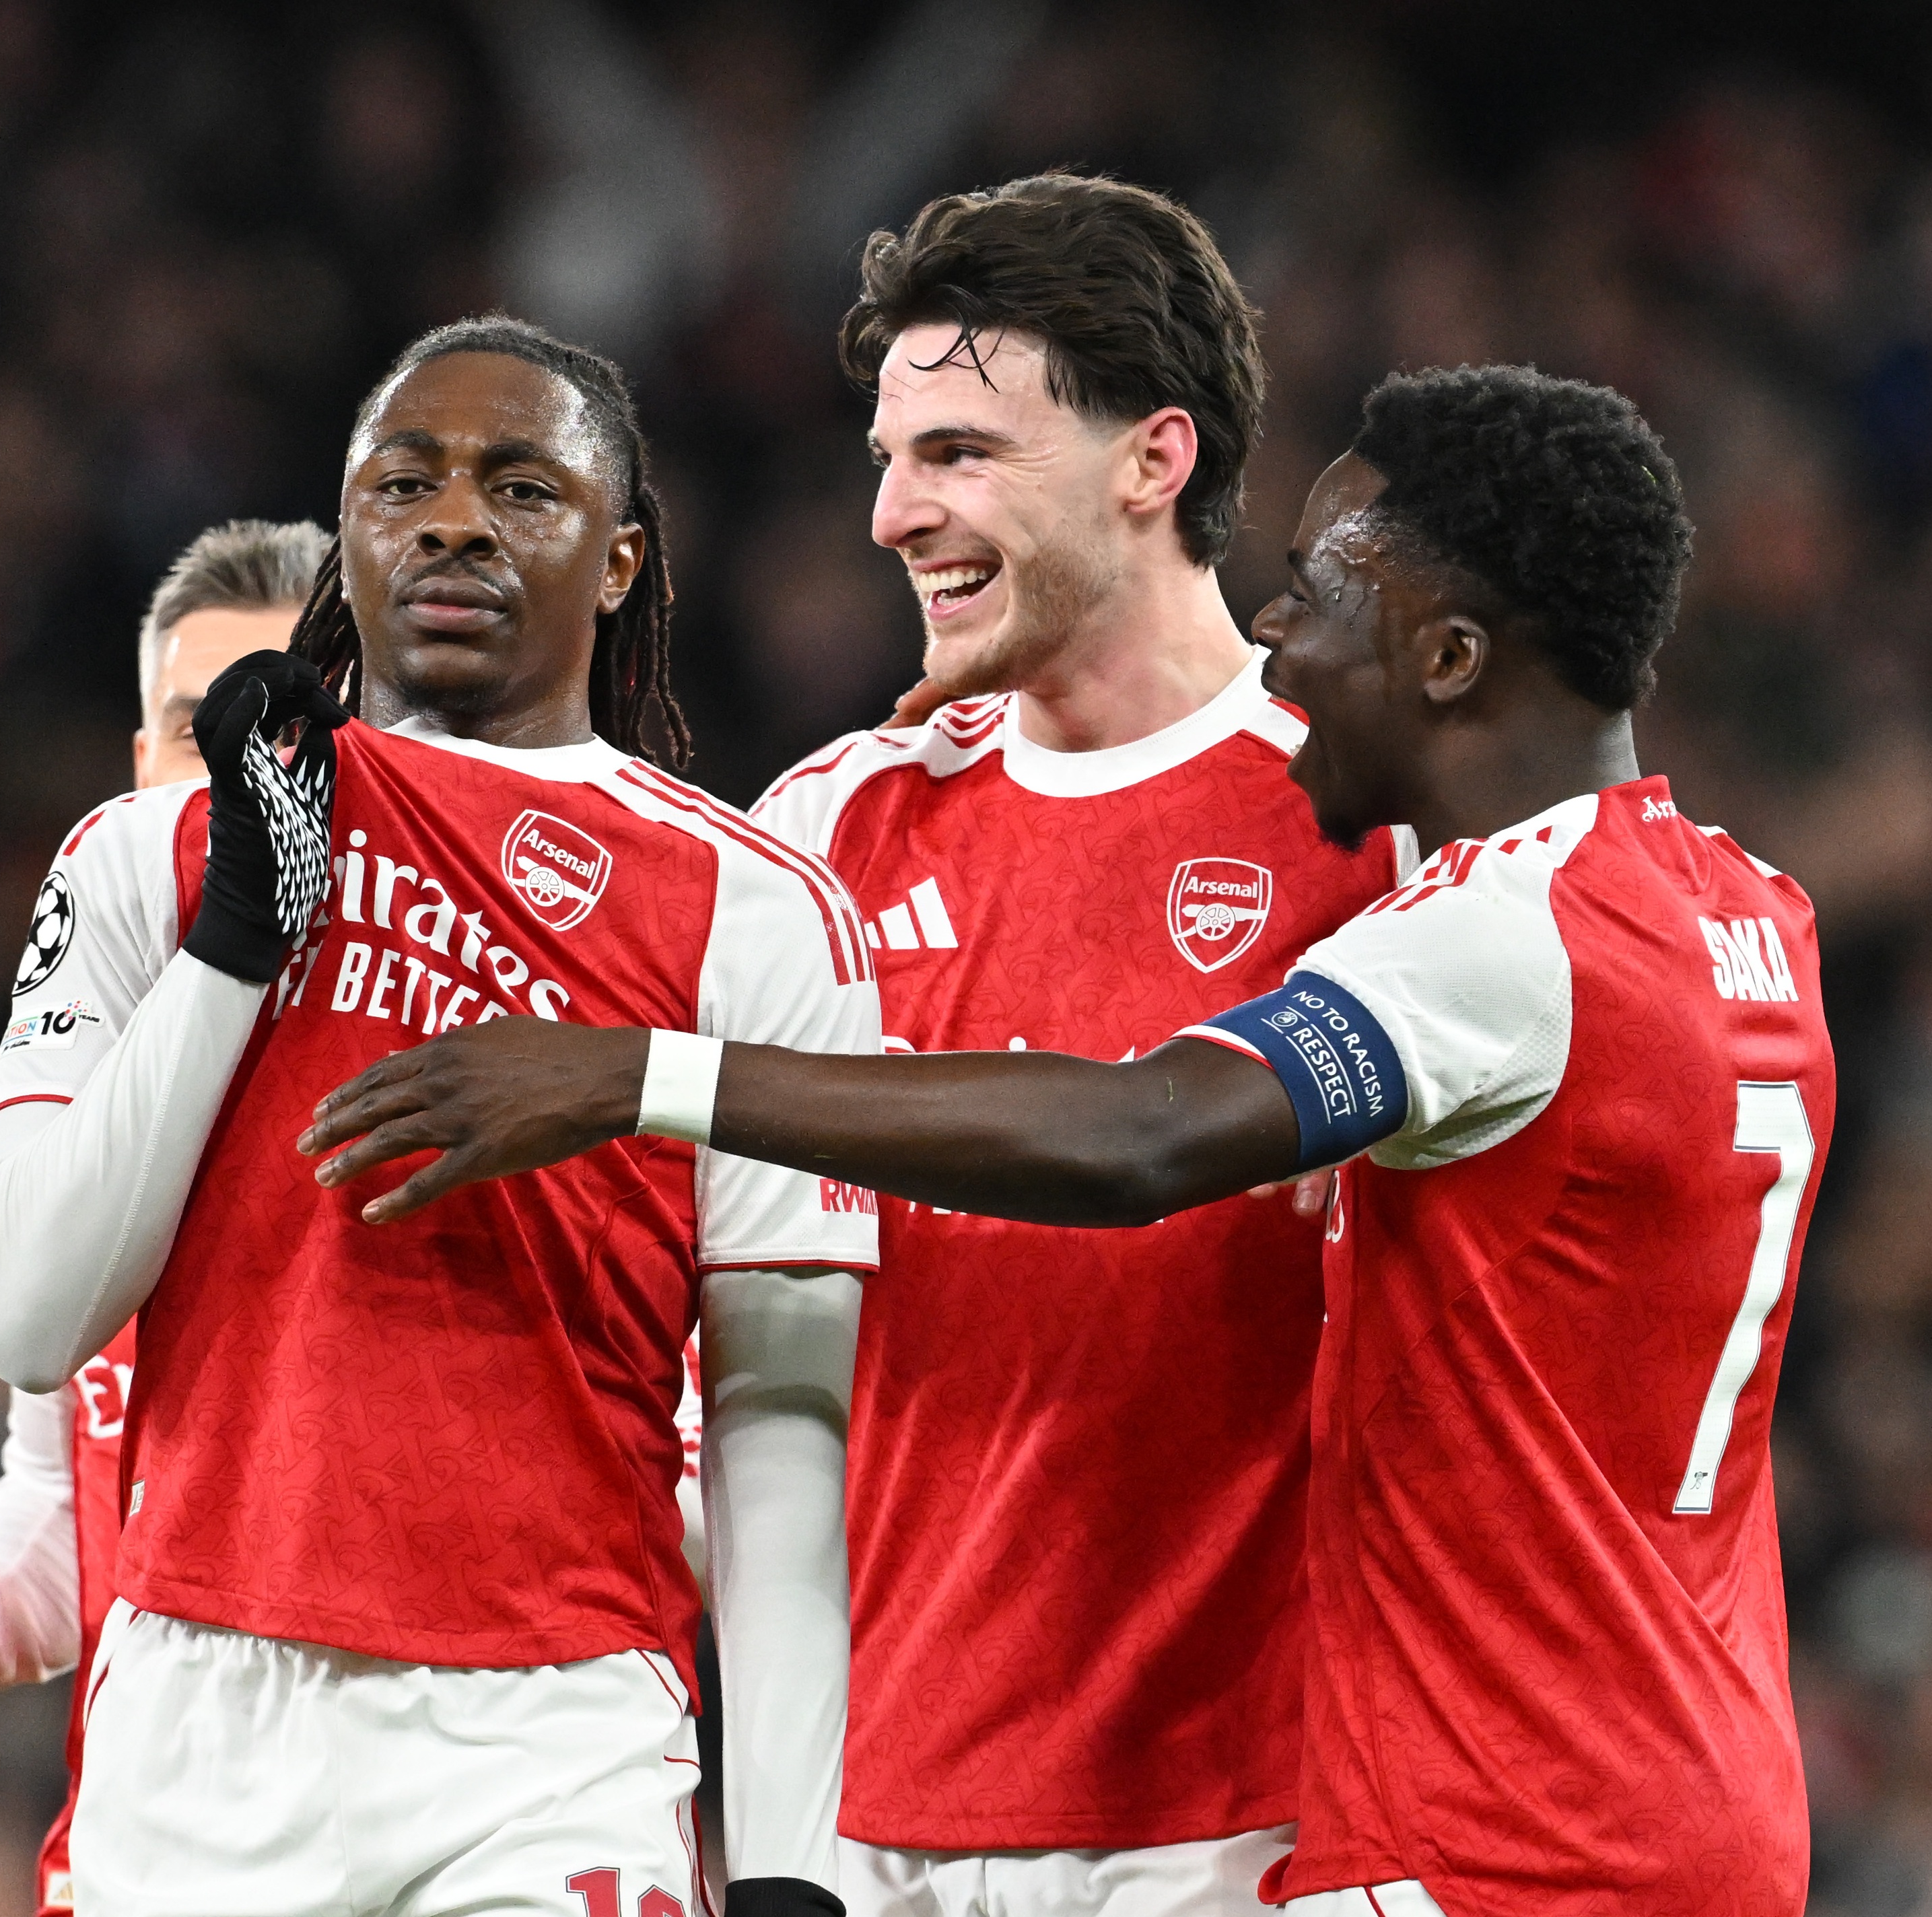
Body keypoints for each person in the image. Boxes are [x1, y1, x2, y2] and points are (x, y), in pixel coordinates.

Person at [303, 365, 1828, 1917]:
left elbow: (1139, 1130)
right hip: (1709, 1790)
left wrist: (641, 1073)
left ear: (1448, 655)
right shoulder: (1748, 912)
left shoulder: (1492, 944)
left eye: (1315, 598)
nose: (1279, 638)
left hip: (1503, 1832)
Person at [0, 315, 878, 1915]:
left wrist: (792, 1863)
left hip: (552, 1733)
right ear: (351, 530)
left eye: (522, 488)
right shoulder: (143, 859)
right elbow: (27, 1309)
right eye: (406, 483)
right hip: (194, 1729)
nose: (453, 519)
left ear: (622, 558)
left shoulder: (758, 909)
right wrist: (242, 931)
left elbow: (782, 1426)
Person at [728, 174, 1412, 1916]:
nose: (891, 513)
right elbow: (734, 1347)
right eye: (887, 458)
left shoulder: (1372, 825)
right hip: (882, 1839)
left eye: (958, 452)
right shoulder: (823, 835)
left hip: (1269, 1829)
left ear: (1152, 460)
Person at [0, 517, 326, 1916]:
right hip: (145, 1848)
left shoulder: (444, 1084)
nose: (232, 784)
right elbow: (70, 1495)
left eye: (279, 733)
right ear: (138, 769)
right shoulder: (86, 1080)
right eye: (194, 732)